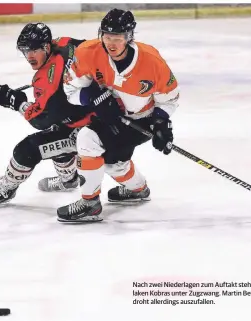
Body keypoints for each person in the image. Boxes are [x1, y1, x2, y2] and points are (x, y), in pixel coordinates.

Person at [57, 8, 179, 222]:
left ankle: (90, 204)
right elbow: (70, 91)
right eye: (107, 36)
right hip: (110, 118)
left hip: (142, 120)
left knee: (89, 141)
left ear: (129, 37)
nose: (111, 43)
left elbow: (169, 98)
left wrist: (160, 122)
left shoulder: (152, 61)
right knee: (113, 163)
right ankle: (138, 190)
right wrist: (91, 96)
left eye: (118, 38)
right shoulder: (87, 53)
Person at [0, 22, 94, 208]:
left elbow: (40, 120)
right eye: (25, 51)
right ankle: (69, 180)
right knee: (57, 135)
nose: (29, 56)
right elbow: (92, 48)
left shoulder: (48, 80)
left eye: (33, 50)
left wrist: (16, 102)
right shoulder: (65, 43)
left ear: (47, 47)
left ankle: (7, 188)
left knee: (27, 150)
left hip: (87, 129)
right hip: (93, 112)